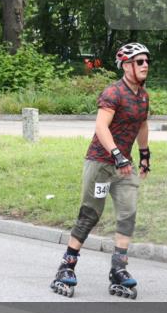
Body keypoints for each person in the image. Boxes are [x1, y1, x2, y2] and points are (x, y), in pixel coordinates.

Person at [51, 42, 151, 299]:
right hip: (101, 163)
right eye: (139, 61)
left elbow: (142, 125)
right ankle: (66, 266)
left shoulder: (143, 96)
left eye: (146, 61)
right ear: (126, 65)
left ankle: (119, 270)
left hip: (124, 167)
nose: (145, 65)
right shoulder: (113, 93)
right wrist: (116, 154)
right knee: (90, 214)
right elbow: (101, 127)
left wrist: (144, 155)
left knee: (128, 213)